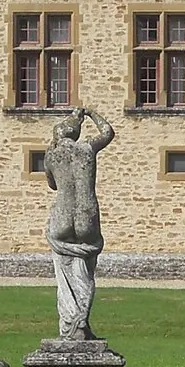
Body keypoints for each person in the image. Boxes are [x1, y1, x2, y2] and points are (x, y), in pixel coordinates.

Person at [43, 107, 115, 341]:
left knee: (64, 269)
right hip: (87, 215)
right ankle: (82, 320)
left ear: (57, 135)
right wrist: (92, 114)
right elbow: (108, 132)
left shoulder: (51, 155)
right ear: (75, 134)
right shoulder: (86, 148)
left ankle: (69, 322)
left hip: (62, 217)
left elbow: (52, 185)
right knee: (85, 271)